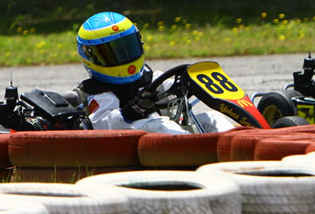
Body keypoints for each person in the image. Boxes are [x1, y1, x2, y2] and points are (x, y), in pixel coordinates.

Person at [73, 11, 234, 133]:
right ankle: (195, 153)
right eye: (111, 53)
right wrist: (134, 109)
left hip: (166, 136)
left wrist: (187, 85)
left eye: (127, 48)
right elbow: (104, 125)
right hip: (130, 143)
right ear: (90, 56)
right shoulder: (97, 91)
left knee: (213, 118)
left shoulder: (148, 77)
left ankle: (245, 143)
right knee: (160, 124)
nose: (123, 57)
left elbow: (166, 88)